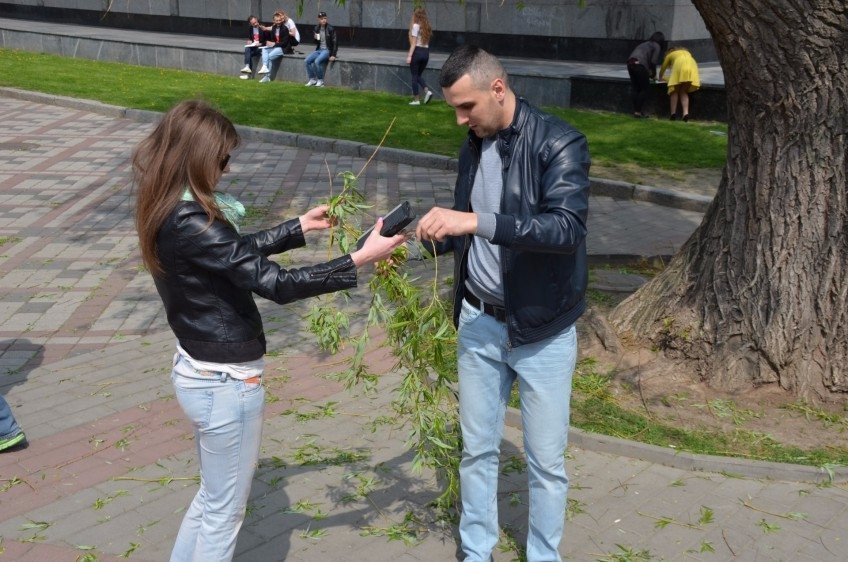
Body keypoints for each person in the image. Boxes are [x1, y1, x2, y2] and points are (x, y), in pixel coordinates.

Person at [132, 99, 405, 562]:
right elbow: (276, 284)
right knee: (224, 515)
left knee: (211, 500)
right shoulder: (191, 220)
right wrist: (360, 258)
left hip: (199, 372)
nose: (226, 168)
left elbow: (232, 255)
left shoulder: (169, 206)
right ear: (197, 157)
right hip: (226, 383)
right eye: (222, 159)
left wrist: (296, 228)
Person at [415, 45, 590, 562]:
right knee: (476, 451)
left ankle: (543, 555)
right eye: (453, 109)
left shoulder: (560, 142)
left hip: (543, 331)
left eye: (465, 107)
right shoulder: (474, 144)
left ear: (497, 89)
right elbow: (468, 228)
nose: (459, 119)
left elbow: (565, 229)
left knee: (546, 464)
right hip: (479, 322)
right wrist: (421, 239)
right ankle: (476, 551)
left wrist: (475, 221)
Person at [626, 31, 665, 117]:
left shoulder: (645, 44)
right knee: (645, 89)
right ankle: (638, 112)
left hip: (630, 63)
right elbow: (653, 62)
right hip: (640, 65)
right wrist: (653, 74)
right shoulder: (657, 45)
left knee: (635, 88)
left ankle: (636, 111)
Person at [658, 46, 701, 121]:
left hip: (679, 64)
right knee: (683, 91)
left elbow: (663, 67)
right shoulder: (688, 53)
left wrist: (660, 77)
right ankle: (685, 113)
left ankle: (673, 114)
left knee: (674, 91)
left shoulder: (670, 55)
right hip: (692, 65)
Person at [256, 10, 298, 83]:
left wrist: (273, 44)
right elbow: (273, 40)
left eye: (279, 20)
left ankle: (267, 77)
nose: (278, 22)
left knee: (270, 57)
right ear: (274, 21)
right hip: (276, 46)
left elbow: (284, 43)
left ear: (282, 20)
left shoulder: (285, 29)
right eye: (276, 20)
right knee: (264, 49)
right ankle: (265, 66)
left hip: (283, 48)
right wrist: (269, 44)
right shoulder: (274, 28)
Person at [406, 7, 433, 106]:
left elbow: (413, 43)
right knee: (418, 76)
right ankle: (427, 91)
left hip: (417, 52)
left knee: (414, 76)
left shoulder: (415, 26)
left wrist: (409, 56)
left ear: (416, 15)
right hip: (426, 53)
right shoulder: (427, 27)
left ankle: (416, 100)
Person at [304, 11, 337, 87]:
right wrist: (315, 38)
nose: (323, 20)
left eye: (325, 18)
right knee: (307, 60)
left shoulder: (330, 28)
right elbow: (316, 42)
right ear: (318, 19)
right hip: (319, 49)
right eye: (321, 19)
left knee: (317, 61)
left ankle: (320, 80)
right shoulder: (316, 28)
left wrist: (333, 55)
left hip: (327, 50)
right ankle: (312, 79)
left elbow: (335, 42)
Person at [238, 15, 265, 79]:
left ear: (257, 20)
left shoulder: (262, 28)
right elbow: (250, 38)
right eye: (253, 23)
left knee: (248, 54)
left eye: (256, 22)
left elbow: (268, 40)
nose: (255, 24)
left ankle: (248, 75)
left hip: (261, 47)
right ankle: (247, 67)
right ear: (250, 24)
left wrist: (261, 44)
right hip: (254, 46)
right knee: (247, 48)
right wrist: (249, 41)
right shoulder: (250, 28)